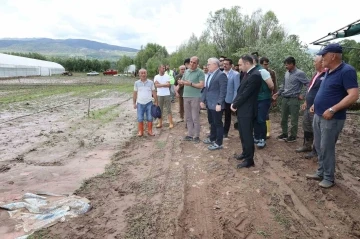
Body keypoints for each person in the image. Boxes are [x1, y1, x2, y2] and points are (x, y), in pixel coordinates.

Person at [306, 43, 359, 188]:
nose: (322, 58)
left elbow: (354, 95)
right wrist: (315, 104)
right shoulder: (328, 71)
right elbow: (326, 92)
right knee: (318, 145)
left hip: (332, 118)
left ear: (333, 56)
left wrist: (332, 109)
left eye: (324, 55)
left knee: (327, 147)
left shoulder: (347, 71)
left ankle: (329, 178)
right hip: (318, 114)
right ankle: (320, 172)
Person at [231, 55, 262, 168]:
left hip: (247, 110)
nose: (239, 67)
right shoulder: (248, 74)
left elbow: (246, 93)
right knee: (242, 133)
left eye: (240, 64)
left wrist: (235, 104)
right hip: (243, 109)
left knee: (247, 134)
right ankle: (245, 153)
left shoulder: (255, 75)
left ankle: (249, 160)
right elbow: (241, 91)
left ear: (247, 63)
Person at [272, 57, 309, 142]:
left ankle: (293, 136)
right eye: (285, 64)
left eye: (287, 64)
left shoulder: (300, 73)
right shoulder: (286, 73)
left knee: (293, 118)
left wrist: (303, 95)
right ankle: (284, 133)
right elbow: (284, 86)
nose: (286, 66)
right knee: (283, 118)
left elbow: (308, 84)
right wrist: (278, 93)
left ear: (293, 64)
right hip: (285, 98)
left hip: (293, 99)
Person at [296, 55, 326, 157]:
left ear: (321, 62)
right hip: (309, 105)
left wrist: (314, 103)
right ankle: (307, 145)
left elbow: (322, 92)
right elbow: (310, 89)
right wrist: (305, 101)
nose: (313, 63)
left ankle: (316, 150)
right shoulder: (316, 74)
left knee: (316, 129)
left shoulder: (326, 75)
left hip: (317, 107)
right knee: (307, 125)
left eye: (315, 61)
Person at [201, 58, 228, 150]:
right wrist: (202, 100)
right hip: (209, 103)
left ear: (215, 65)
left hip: (216, 105)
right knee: (211, 122)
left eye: (209, 64)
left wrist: (219, 103)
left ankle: (219, 143)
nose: (207, 66)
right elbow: (206, 89)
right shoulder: (210, 75)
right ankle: (212, 138)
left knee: (218, 123)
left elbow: (223, 91)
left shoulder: (221, 75)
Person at [179, 56, 205, 143]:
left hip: (195, 97)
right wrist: (180, 82)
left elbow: (201, 85)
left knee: (195, 117)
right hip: (185, 96)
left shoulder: (200, 72)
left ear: (197, 64)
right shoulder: (186, 71)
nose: (192, 64)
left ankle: (196, 136)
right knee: (188, 117)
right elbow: (182, 82)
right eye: (191, 62)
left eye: (194, 62)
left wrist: (190, 83)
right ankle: (190, 134)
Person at [253, 55, 274, 148]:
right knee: (256, 118)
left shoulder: (263, 71)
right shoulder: (252, 71)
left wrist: (264, 92)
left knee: (261, 119)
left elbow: (271, 85)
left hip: (263, 99)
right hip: (255, 99)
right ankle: (257, 136)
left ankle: (262, 139)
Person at [133, 69, 158, 136]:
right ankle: (140, 132)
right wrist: (134, 103)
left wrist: (156, 101)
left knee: (150, 117)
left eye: (144, 73)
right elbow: (135, 94)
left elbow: (154, 92)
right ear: (139, 74)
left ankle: (150, 131)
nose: (143, 74)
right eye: (141, 73)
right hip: (140, 103)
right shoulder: (136, 83)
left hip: (149, 103)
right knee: (140, 118)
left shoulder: (151, 82)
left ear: (146, 74)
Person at [260, 57, 277, 138]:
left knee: (266, 114)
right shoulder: (258, 72)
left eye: (267, 64)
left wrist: (274, 98)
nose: (266, 66)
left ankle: (267, 131)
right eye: (264, 64)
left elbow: (275, 85)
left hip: (268, 96)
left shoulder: (271, 72)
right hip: (260, 97)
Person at [223, 58, 240, 138]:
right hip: (221, 98)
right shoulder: (221, 73)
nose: (224, 65)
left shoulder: (235, 74)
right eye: (224, 64)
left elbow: (236, 89)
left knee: (227, 116)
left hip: (229, 99)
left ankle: (225, 132)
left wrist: (234, 101)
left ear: (230, 65)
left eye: (226, 64)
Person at [154, 65, 174, 129]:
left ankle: (171, 123)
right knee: (160, 110)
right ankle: (160, 123)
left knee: (169, 109)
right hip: (159, 95)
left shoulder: (167, 76)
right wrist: (163, 84)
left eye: (164, 68)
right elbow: (156, 85)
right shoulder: (156, 77)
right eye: (163, 68)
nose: (164, 69)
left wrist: (160, 84)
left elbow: (168, 85)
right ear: (159, 68)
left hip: (167, 94)